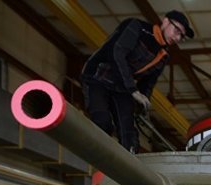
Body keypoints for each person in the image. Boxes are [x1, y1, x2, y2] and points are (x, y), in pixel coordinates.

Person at [81, 10, 193, 152]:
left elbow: (148, 83)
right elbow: (117, 53)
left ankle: (125, 170)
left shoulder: (163, 56)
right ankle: (97, 162)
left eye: (181, 36)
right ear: (165, 21)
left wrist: (142, 104)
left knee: (130, 138)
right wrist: (133, 90)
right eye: (177, 30)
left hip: (121, 87)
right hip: (97, 77)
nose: (177, 38)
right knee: (102, 122)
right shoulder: (137, 27)